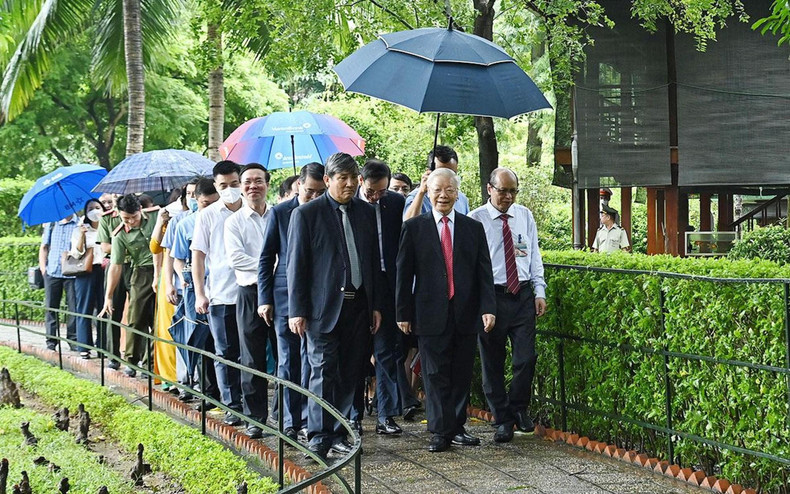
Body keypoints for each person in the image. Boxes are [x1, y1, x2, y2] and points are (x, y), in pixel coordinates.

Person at [287, 152, 383, 460]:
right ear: (328, 180)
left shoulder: (367, 213)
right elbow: (297, 266)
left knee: (350, 372)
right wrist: (297, 310)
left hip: (359, 307)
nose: (350, 184)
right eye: (342, 178)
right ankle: (318, 435)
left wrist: (376, 305)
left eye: (354, 178)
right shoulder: (307, 214)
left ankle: (340, 432)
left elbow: (371, 262)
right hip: (322, 309)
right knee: (322, 371)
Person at [396, 168, 496, 453]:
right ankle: (440, 430)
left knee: (461, 372)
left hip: (465, 311)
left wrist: (488, 308)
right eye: (437, 189)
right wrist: (402, 312)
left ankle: (456, 425)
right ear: (427, 191)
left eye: (449, 190)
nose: (443, 195)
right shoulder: (414, 227)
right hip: (428, 312)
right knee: (435, 372)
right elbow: (404, 274)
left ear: (457, 193)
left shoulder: (472, 227)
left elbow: (483, 272)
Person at [469, 168, 547, 443]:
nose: (508, 196)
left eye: (513, 191)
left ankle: (518, 408)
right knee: (492, 361)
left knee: (526, 357)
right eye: (502, 190)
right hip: (491, 297)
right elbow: (469, 266)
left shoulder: (524, 215)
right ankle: (502, 418)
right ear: (489, 189)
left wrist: (540, 290)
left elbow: (533, 253)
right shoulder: (475, 219)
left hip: (522, 294)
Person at [258, 162, 326, 442]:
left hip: (317, 295)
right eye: (310, 191)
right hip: (284, 294)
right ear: (299, 185)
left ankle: (310, 420)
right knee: (287, 361)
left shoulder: (326, 211)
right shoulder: (280, 212)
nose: (314, 197)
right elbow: (266, 257)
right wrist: (265, 299)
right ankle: (288, 421)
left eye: (320, 192)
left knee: (312, 361)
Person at [191, 161, 245, 426]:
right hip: (220, 294)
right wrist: (200, 293)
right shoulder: (208, 215)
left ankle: (250, 403)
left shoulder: (254, 208)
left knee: (250, 353)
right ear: (215, 186)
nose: (230, 190)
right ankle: (232, 405)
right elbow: (198, 256)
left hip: (251, 293)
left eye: (234, 184)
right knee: (225, 353)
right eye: (223, 186)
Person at [356, 159, 407, 435]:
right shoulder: (350, 205)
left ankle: (386, 414)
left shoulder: (395, 204)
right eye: (372, 191)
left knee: (388, 352)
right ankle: (352, 414)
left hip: (388, 286)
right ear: (361, 181)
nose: (376, 197)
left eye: (382, 191)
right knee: (355, 354)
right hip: (359, 287)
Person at [224, 163, 272, 438]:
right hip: (249, 293)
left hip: (279, 292)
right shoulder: (233, 222)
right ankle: (256, 418)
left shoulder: (279, 216)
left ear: (267, 184)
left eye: (258, 181)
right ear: (241, 187)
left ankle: (286, 416)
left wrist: (274, 267)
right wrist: (269, 265)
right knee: (251, 357)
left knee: (285, 355)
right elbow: (236, 259)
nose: (253, 186)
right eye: (247, 182)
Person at [171, 178, 220, 401]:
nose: (209, 208)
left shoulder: (228, 219)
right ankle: (204, 390)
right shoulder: (185, 225)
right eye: (204, 203)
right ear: (195, 200)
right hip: (196, 289)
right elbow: (178, 259)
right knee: (200, 339)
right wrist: (183, 278)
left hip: (223, 286)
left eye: (213, 203)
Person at [100, 194, 158, 377]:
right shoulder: (119, 235)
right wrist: (108, 296)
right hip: (141, 273)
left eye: (134, 217)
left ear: (140, 210)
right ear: (118, 214)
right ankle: (133, 362)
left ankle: (152, 364)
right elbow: (115, 266)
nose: (131, 221)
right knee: (136, 318)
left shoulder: (157, 216)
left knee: (158, 320)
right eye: (126, 218)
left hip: (164, 269)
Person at [96, 194, 131, 369]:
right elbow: (105, 246)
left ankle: (136, 357)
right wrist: (127, 247)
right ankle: (113, 355)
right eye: (113, 196)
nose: (116, 198)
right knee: (112, 310)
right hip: (115, 266)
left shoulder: (140, 214)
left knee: (138, 314)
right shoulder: (107, 219)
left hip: (135, 266)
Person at [69, 199, 106, 358]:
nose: (94, 211)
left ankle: (104, 345)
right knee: (84, 308)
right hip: (85, 271)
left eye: (97, 207)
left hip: (104, 270)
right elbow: (76, 253)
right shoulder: (79, 229)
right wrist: (82, 236)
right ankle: (84, 346)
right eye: (90, 208)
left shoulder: (108, 227)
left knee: (104, 308)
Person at [39, 214, 79, 351]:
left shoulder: (79, 224)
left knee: (74, 308)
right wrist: (44, 270)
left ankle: (73, 340)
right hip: (52, 271)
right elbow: (44, 247)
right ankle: (51, 341)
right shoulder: (52, 223)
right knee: (51, 307)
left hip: (72, 273)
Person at [403, 146, 469, 220]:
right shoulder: (415, 197)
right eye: (440, 173)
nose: (445, 178)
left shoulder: (462, 199)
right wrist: (421, 192)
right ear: (428, 172)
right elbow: (409, 226)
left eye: (451, 173)